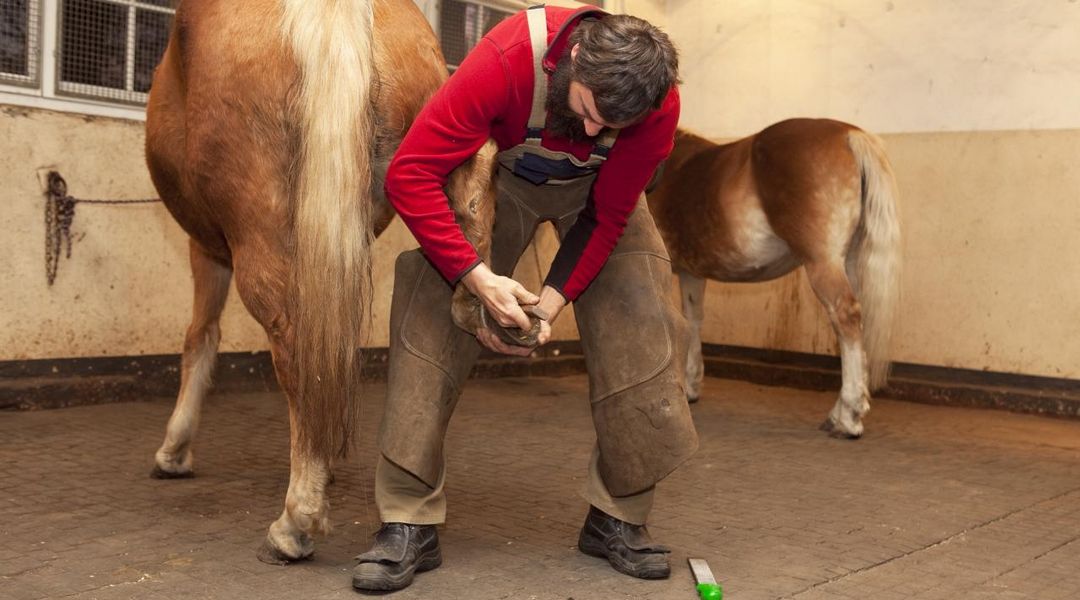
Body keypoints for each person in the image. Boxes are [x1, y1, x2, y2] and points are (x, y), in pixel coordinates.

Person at [352, 4, 699, 592]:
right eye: (589, 110)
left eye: (610, 125)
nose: (592, 133)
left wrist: (553, 301)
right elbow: (409, 174)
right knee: (434, 310)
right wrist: (475, 277)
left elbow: (608, 214)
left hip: (595, 193)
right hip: (498, 177)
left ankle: (618, 517)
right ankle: (408, 519)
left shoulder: (653, 105)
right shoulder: (506, 59)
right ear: (576, 59)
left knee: (643, 318)